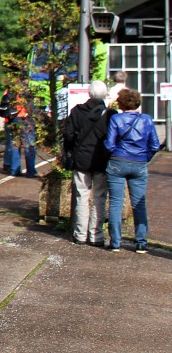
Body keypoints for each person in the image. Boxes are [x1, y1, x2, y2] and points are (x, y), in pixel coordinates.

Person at [103, 88, 160, 253]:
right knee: (139, 204)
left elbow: (109, 144)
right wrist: (144, 157)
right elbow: (155, 145)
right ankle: (141, 243)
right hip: (139, 163)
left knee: (115, 203)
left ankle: (115, 243)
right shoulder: (147, 120)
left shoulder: (116, 119)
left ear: (121, 103)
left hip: (117, 162)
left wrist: (114, 154)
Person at [62, 80, 114, 245]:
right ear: (105, 94)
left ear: (89, 93)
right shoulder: (110, 114)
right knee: (100, 197)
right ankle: (96, 235)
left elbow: (68, 135)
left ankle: (80, 234)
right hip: (101, 161)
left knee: (81, 197)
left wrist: (71, 150)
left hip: (81, 160)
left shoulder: (77, 111)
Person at [0, 86, 19, 174]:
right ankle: (14, 168)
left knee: (9, 143)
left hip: (7, 120)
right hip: (17, 119)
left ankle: (7, 164)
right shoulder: (20, 92)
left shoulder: (7, 91)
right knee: (14, 144)